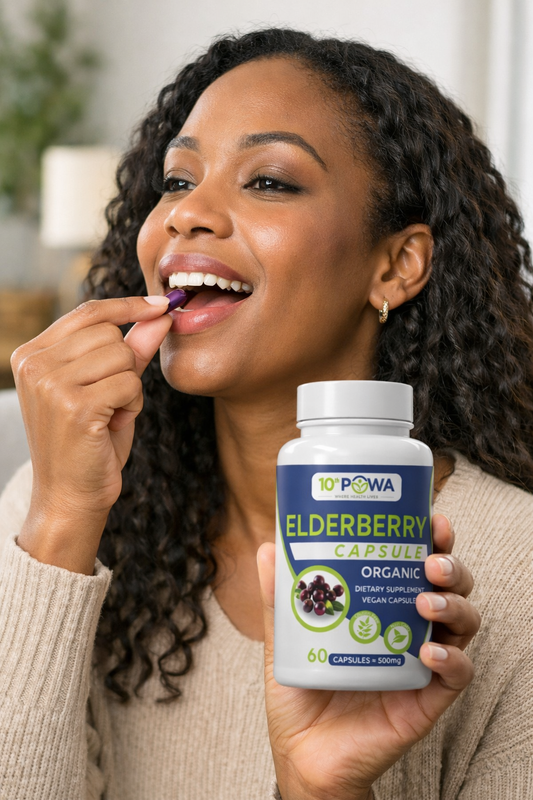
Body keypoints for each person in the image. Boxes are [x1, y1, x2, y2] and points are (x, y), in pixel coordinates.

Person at [0, 27, 531, 800]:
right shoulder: (55, 512)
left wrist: (320, 791)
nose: (187, 215)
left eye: (270, 182)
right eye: (177, 181)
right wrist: (59, 522)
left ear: (395, 264)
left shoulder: (515, 573)